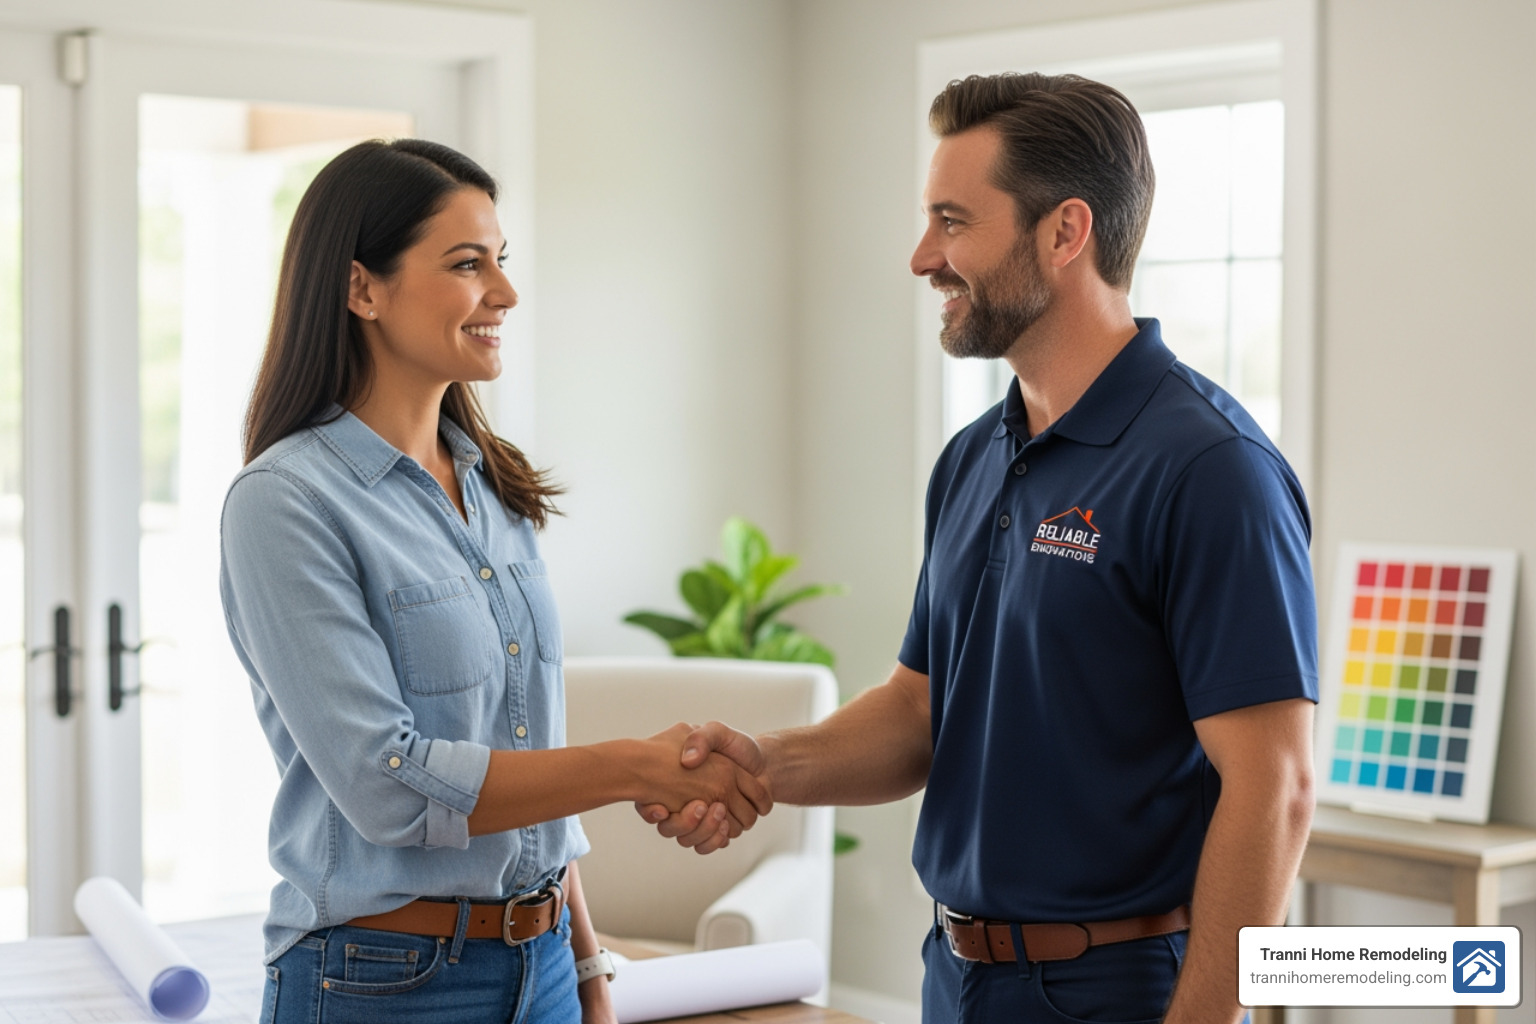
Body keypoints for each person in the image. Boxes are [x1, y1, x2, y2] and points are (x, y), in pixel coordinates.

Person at [643, 73, 1318, 1024]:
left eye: (953, 222)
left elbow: (1275, 786)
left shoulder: (1212, 469)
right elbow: (920, 712)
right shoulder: (974, 457)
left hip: (1117, 989)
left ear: (1065, 232)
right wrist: (761, 760)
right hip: (956, 978)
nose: (924, 258)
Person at [219, 138, 769, 1024]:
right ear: (363, 289)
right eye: (468, 264)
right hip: (383, 982)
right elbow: (388, 785)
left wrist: (588, 973)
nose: (505, 293)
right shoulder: (284, 503)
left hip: (543, 962)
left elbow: (524, 746)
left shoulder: (494, 487)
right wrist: (634, 766)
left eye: (501, 261)